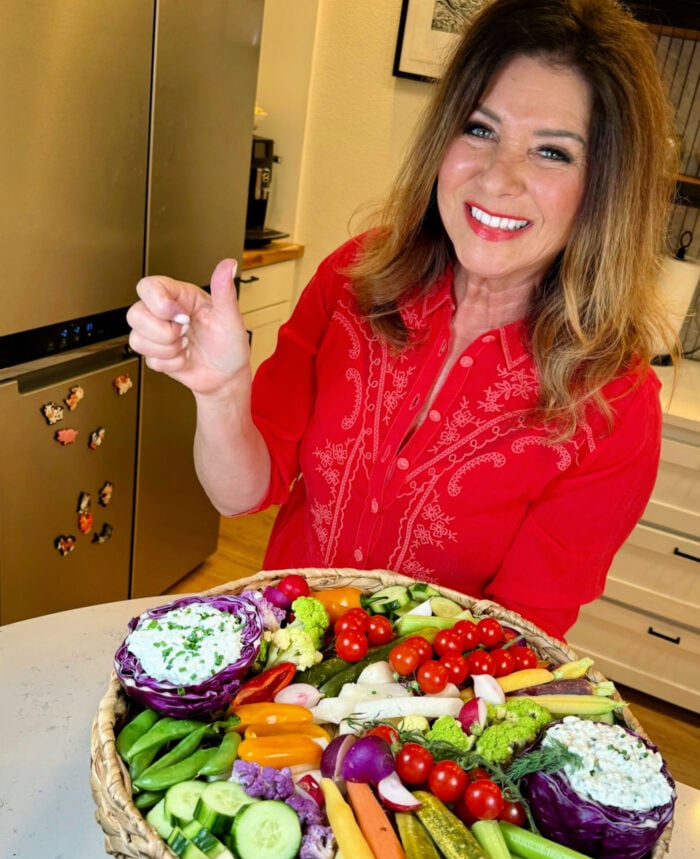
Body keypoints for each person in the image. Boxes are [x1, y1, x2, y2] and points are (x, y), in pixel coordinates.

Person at [127, 0, 680, 641]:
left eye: (552, 153)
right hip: (277, 661)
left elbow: (522, 635)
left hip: (421, 720)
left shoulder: (613, 404)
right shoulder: (353, 281)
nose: (498, 178)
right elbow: (241, 495)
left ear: (606, 187)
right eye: (479, 129)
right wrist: (220, 392)